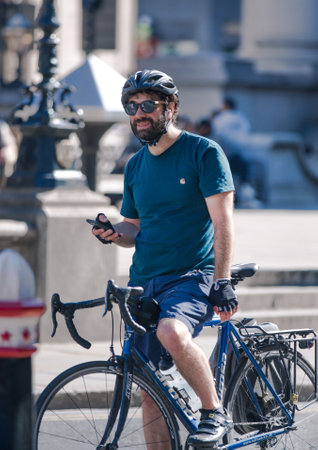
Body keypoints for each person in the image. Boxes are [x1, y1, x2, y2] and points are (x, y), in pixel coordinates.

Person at [91, 69, 237, 448]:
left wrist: (221, 281)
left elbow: (223, 223)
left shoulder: (203, 152)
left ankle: (213, 409)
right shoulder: (136, 165)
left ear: (170, 107)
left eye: (148, 105)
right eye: (132, 106)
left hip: (191, 275)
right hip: (145, 282)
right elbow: (134, 228)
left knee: (171, 332)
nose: (139, 113)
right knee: (148, 386)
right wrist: (113, 232)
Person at [0, 120, 18, 188]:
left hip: (3, 153)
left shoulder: (2, 126)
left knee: (6, 154)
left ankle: (4, 186)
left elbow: (10, 144)